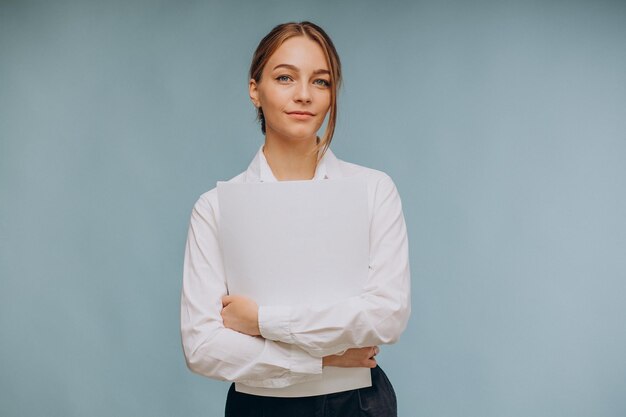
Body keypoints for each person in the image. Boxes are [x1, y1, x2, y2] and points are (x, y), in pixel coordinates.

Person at [180, 21, 411, 416]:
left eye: (320, 82)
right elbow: (203, 348)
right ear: (255, 90)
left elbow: (386, 317)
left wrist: (260, 321)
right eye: (285, 77)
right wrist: (319, 360)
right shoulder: (215, 207)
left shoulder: (374, 190)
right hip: (259, 406)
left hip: (357, 403)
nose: (303, 95)